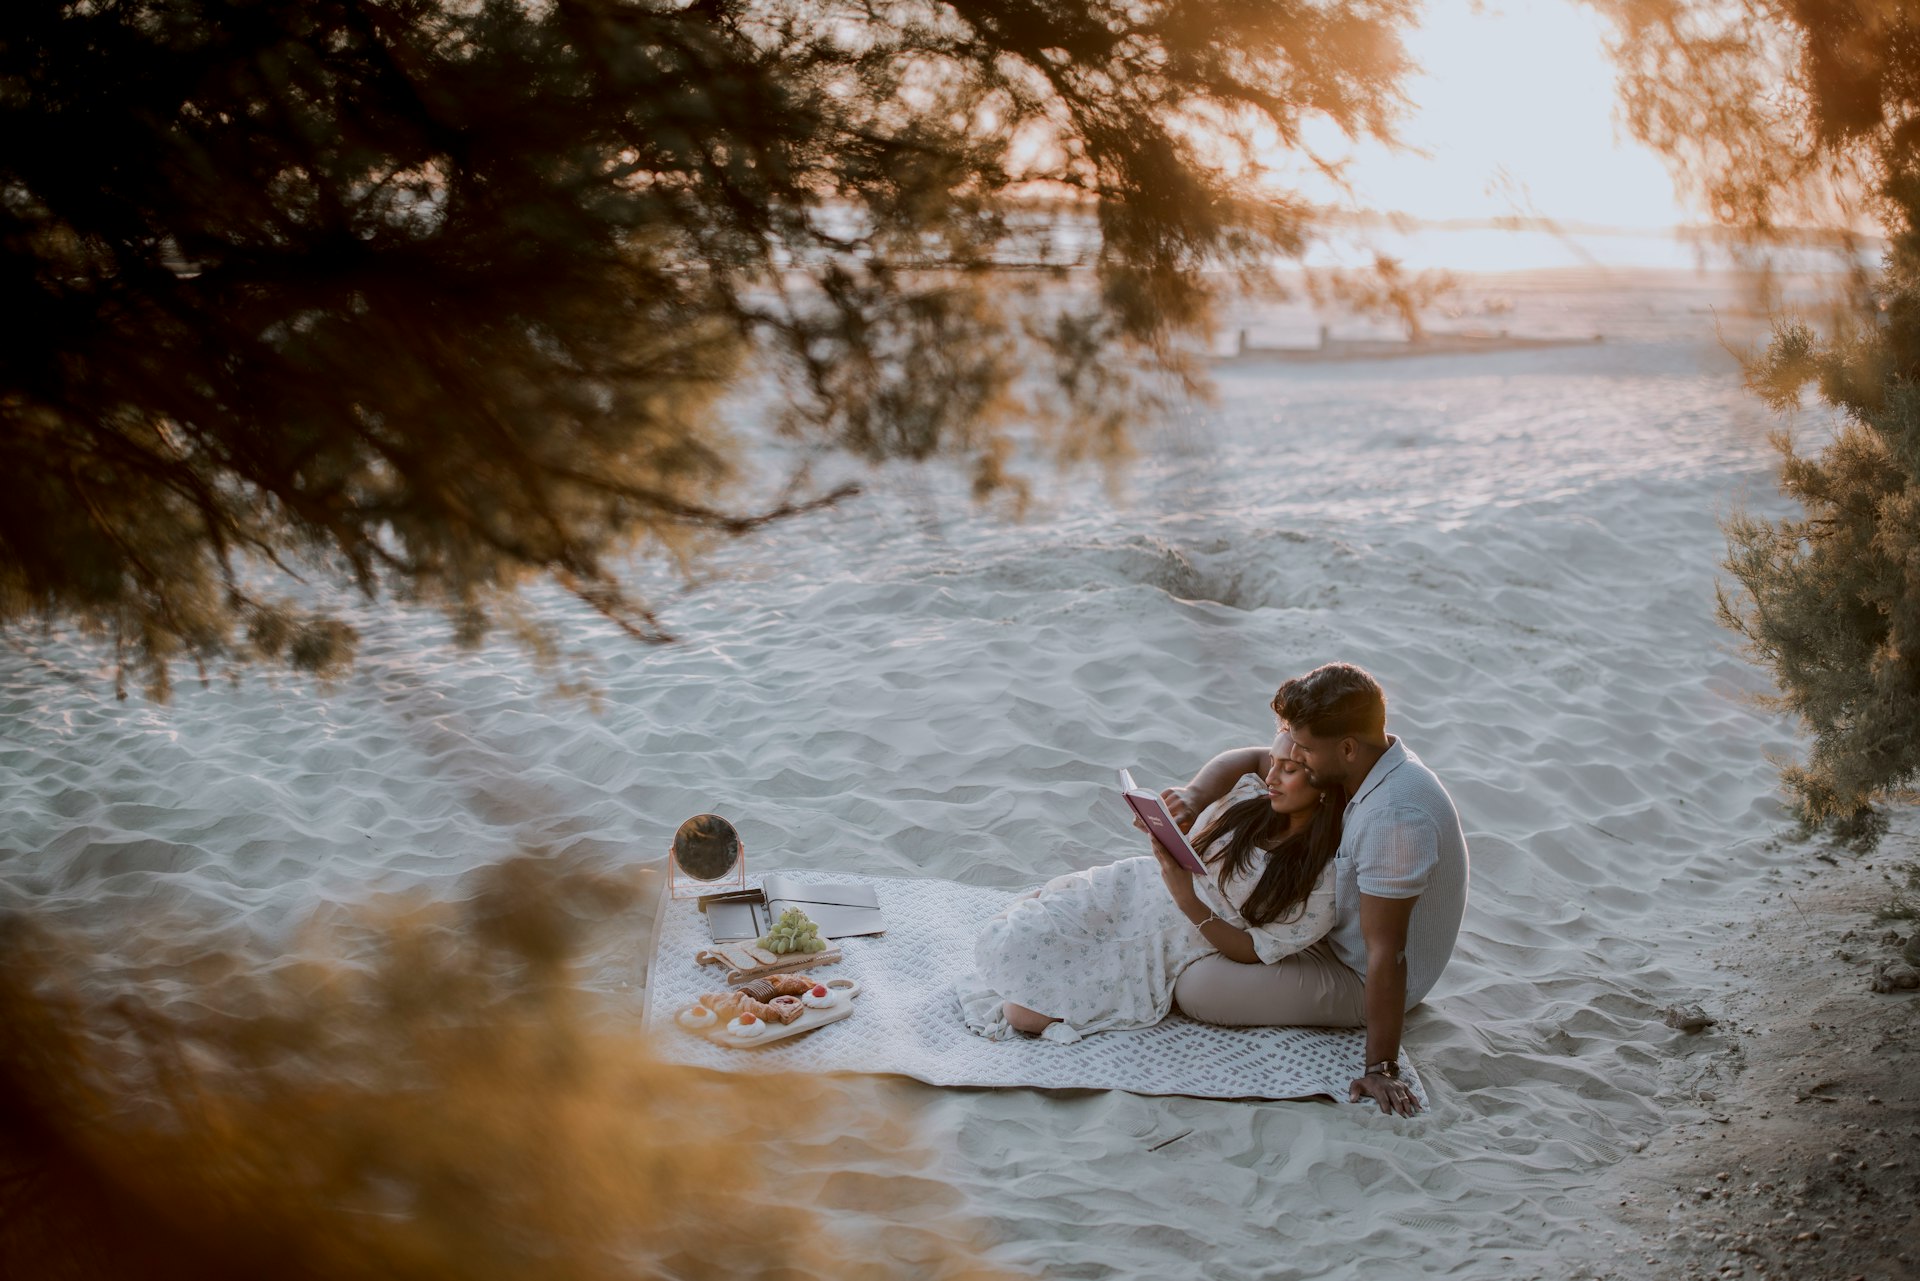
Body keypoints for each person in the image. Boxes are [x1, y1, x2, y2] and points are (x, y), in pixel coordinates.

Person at [1165, 662, 1469, 1117]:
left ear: (1347, 747)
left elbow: (1389, 952)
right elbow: (1251, 759)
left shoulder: (1393, 816)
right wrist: (1194, 795)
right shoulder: (1370, 761)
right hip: (1335, 934)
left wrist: (1381, 1067)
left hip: (1363, 976)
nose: (1294, 757)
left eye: (1304, 749)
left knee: (1197, 989)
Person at [955, 729, 1346, 1046]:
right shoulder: (1255, 798)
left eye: (1288, 769)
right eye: (1274, 762)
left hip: (1169, 936)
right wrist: (1170, 824)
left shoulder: (1320, 879)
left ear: (1325, 784)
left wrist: (1185, 897)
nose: (1271, 776)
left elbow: (1254, 951)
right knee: (1023, 928)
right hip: (1136, 885)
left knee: (1022, 1014)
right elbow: (1245, 761)